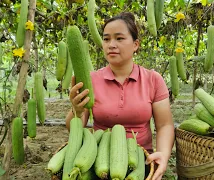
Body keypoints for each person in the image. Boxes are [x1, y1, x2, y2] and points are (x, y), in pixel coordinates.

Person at [65, 12, 175, 180]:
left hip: (139, 160)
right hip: (99, 162)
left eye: (119, 38)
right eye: (106, 39)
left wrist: (163, 155)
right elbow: (74, 129)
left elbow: (165, 125)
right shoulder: (91, 79)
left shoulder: (153, 79)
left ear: (135, 44)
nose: (111, 45)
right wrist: (77, 111)